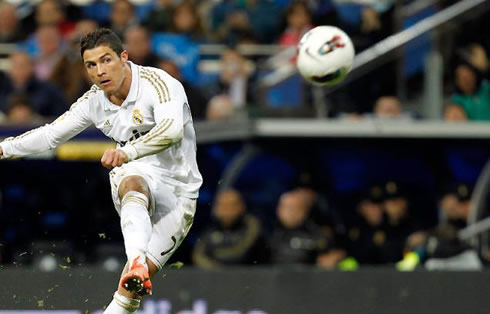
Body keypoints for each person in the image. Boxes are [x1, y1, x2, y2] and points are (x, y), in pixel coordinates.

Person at [0, 28, 202, 313]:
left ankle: (135, 269)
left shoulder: (159, 83)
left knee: (127, 297)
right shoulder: (93, 101)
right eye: (91, 65)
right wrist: (4, 148)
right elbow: (50, 135)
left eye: (106, 60)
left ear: (123, 57)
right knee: (132, 181)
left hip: (180, 192)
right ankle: (135, 261)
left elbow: (171, 131)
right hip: (136, 173)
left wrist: (126, 151)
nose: (99, 71)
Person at [192, 189, 266, 268]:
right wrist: (215, 269)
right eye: (222, 205)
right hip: (216, 276)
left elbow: (241, 254)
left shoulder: (252, 225)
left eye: (231, 205)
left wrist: (216, 254)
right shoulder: (211, 228)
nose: (226, 210)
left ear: (242, 206)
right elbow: (198, 255)